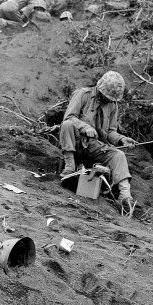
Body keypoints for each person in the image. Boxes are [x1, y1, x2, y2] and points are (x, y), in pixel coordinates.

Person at [59, 71, 137, 211]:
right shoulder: (83, 95)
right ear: (101, 89)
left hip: (95, 147)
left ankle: (125, 195)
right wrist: (84, 126)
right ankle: (69, 167)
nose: (109, 100)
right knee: (67, 126)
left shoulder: (113, 105)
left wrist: (122, 139)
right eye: (108, 96)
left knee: (118, 155)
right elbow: (68, 118)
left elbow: (110, 132)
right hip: (76, 143)